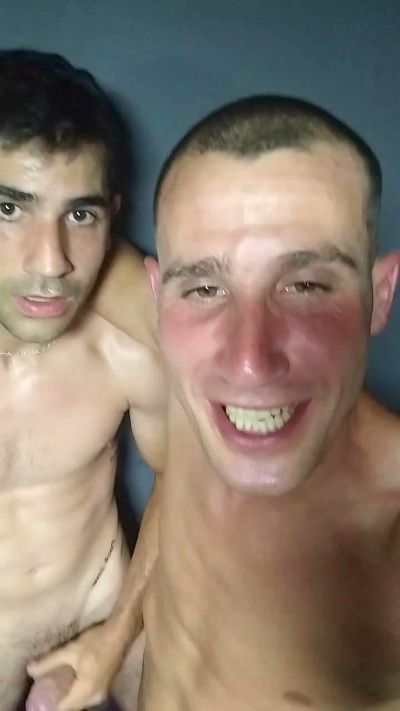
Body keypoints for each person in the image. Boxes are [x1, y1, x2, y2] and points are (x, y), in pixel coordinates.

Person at [57, 95, 400, 710]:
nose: (248, 364)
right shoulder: (187, 372)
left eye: (306, 284)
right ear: (159, 297)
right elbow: (39, 265)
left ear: (380, 295)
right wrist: (113, 640)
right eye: (205, 288)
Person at [0, 49, 164, 711]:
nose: (50, 263)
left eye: (80, 215)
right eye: (8, 208)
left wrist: (119, 629)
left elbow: (185, 480)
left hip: (103, 605)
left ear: (112, 215)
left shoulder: (128, 348)